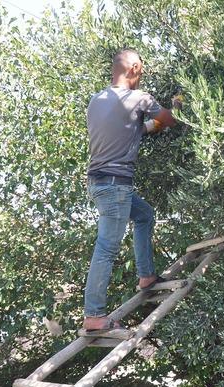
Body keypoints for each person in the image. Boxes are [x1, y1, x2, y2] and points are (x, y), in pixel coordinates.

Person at [83, 48, 181, 333]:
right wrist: (177, 108)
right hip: (116, 185)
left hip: (100, 183)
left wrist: (156, 123)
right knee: (107, 247)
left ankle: (147, 277)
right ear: (134, 68)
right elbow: (170, 120)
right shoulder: (139, 98)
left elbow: (139, 129)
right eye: (142, 70)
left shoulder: (96, 101)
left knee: (144, 216)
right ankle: (94, 315)